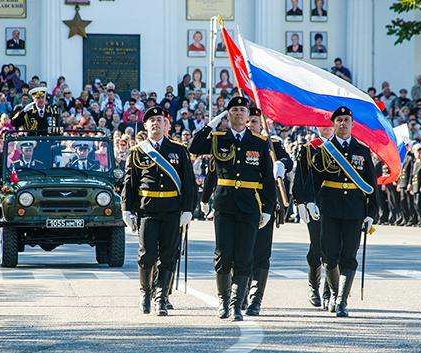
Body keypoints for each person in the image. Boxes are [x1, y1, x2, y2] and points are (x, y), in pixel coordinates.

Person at [189, 97, 276, 321]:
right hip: (225, 204)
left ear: (248, 116)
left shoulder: (259, 142)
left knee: (245, 256)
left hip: (250, 205)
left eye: (242, 110)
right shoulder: (218, 139)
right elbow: (194, 146)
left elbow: (267, 179)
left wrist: (267, 208)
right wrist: (211, 123)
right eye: (234, 110)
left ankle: (237, 305)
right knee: (223, 255)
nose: (238, 113)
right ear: (228, 115)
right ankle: (224, 301)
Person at [304, 106, 378, 317]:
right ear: (333, 124)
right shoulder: (325, 150)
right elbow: (313, 180)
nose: (343, 123)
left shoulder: (362, 151)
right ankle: (336, 294)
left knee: (349, 256)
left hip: (355, 210)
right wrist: (310, 202)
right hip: (329, 209)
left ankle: (341, 300)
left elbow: (371, 186)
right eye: (339, 120)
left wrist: (371, 213)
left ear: (353, 124)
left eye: (347, 120)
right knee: (329, 256)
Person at [122, 107, 194, 316]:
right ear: (145, 126)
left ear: (167, 125)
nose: (155, 123)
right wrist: (127, 210)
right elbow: (130, 184)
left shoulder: (179, 150)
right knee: (147, 255)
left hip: (172, 210)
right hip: (148, 210)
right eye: (151, 120)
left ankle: (161, 297)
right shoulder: (137, 151)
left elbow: (188, 182)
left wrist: (188, 209)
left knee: (168, 255)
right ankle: (146, 291)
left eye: (160, 120)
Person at [243, 107, 293, 316]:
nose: (251, 125)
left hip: (264, 205)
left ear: (261, 124)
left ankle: (256, 299)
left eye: (254, 121)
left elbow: (287, 161)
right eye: (248, 121)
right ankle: (241, 293)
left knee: (261, 253)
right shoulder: (239, 142)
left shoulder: (272, 144)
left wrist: (280, 163)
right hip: (241, 205)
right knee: (241, 252)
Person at [292, 125, 334, 309]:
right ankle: (313, 286)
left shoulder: (340, 148)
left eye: (329, 126)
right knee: (316, 246)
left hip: (336, 204)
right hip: (314, 203)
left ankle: (329, 290)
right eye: (323, 126)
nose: (326, 129)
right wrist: (300, 201)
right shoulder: (308, 148)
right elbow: (300, 177)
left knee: (333, 248)